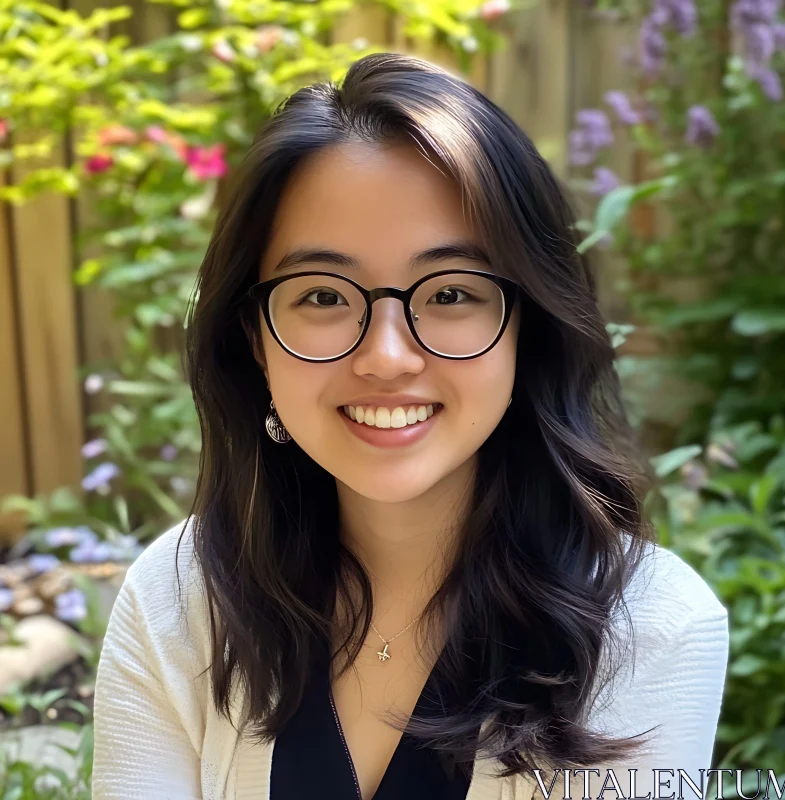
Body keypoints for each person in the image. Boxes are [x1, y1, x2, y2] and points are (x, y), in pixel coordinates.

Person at [91, 52, 729, 800]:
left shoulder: (652, 631)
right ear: (254, 339)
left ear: (529, 327)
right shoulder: (178, 603)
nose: (386, 358)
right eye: (323, 297)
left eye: (452, 292)